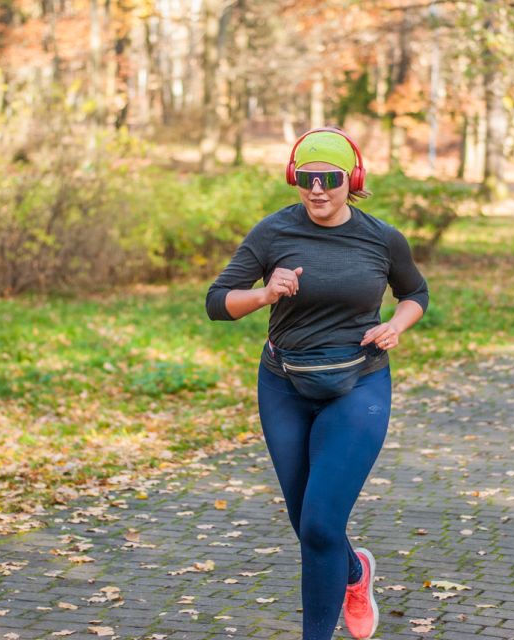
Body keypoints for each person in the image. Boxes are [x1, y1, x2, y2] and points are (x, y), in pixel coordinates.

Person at [205, 127, 428, 639]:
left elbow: (416, 293)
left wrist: (396, 324)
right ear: (294, 178)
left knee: (322, 524)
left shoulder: (382, 238)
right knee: (305, 523)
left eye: (329, 178)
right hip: (283, 385)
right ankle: (354, 572)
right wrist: (263, 295)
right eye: (306, 179)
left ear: (353, 180)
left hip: (359, 385)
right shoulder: (272, 233)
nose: (318, 190)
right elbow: (217, 302)